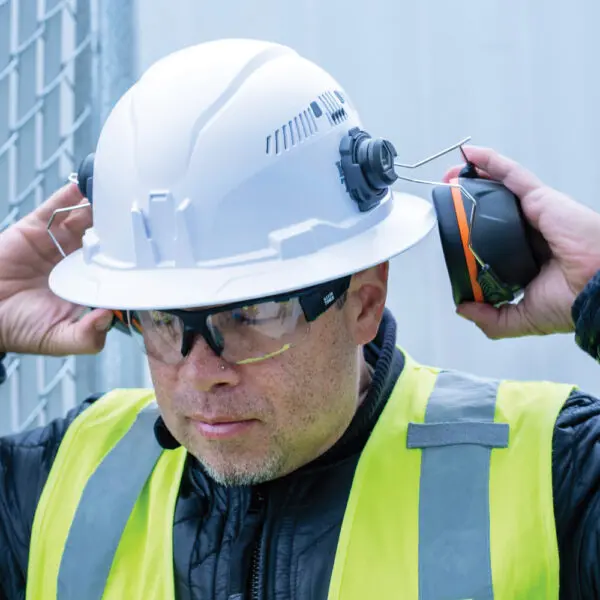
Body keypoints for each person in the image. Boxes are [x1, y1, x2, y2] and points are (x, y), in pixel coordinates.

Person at [0, 38, 599, 600]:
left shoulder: (549, 470)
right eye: (161, 318)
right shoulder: (66, 481)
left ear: (364, 302)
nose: (201, 373)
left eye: (251, 314)